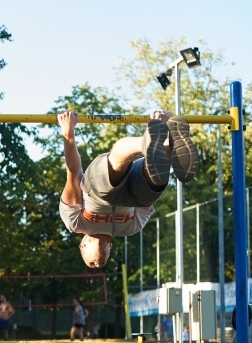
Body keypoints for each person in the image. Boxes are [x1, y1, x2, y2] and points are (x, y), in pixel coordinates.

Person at [58, 110, 198, 268]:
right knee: (149, 191)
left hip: (96, 190)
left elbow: (73, 174)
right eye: (103, 262)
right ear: (110, 247)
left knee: (111, 178)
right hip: (133, 194)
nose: (98, 264)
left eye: (91, 263)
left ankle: (146, 141)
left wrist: (68, 131)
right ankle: (171, 147)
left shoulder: (75, 223)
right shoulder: (130, 228)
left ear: (82, 245)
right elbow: (145, 202)